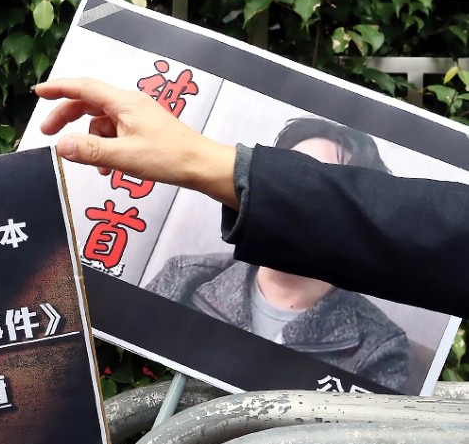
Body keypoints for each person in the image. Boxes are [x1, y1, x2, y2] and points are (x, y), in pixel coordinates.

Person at [32, 77, 469, 320]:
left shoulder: (378, 339)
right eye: (300, 174)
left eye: (321, 182)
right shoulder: (186, 276)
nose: (305, 198)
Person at [142, 117, 409, 391]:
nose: (293, 199)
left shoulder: (380, 347)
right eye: (285, 178)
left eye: (322, 190)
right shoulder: (185, 277)